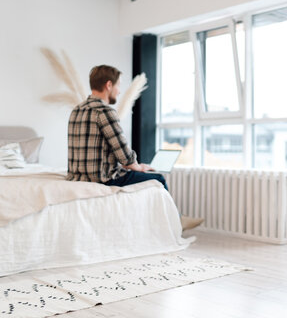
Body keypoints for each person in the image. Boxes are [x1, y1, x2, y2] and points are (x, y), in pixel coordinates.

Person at [67, 64, 203, 230]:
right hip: (103, 178)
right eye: (118, 85)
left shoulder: (76, 110)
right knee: (157, 178)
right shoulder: (105, 112)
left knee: (141, 173)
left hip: (77, 177)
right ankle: (176, 221)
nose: (119, 90)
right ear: (108, 85)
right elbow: (124, 155)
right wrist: (138, 167)